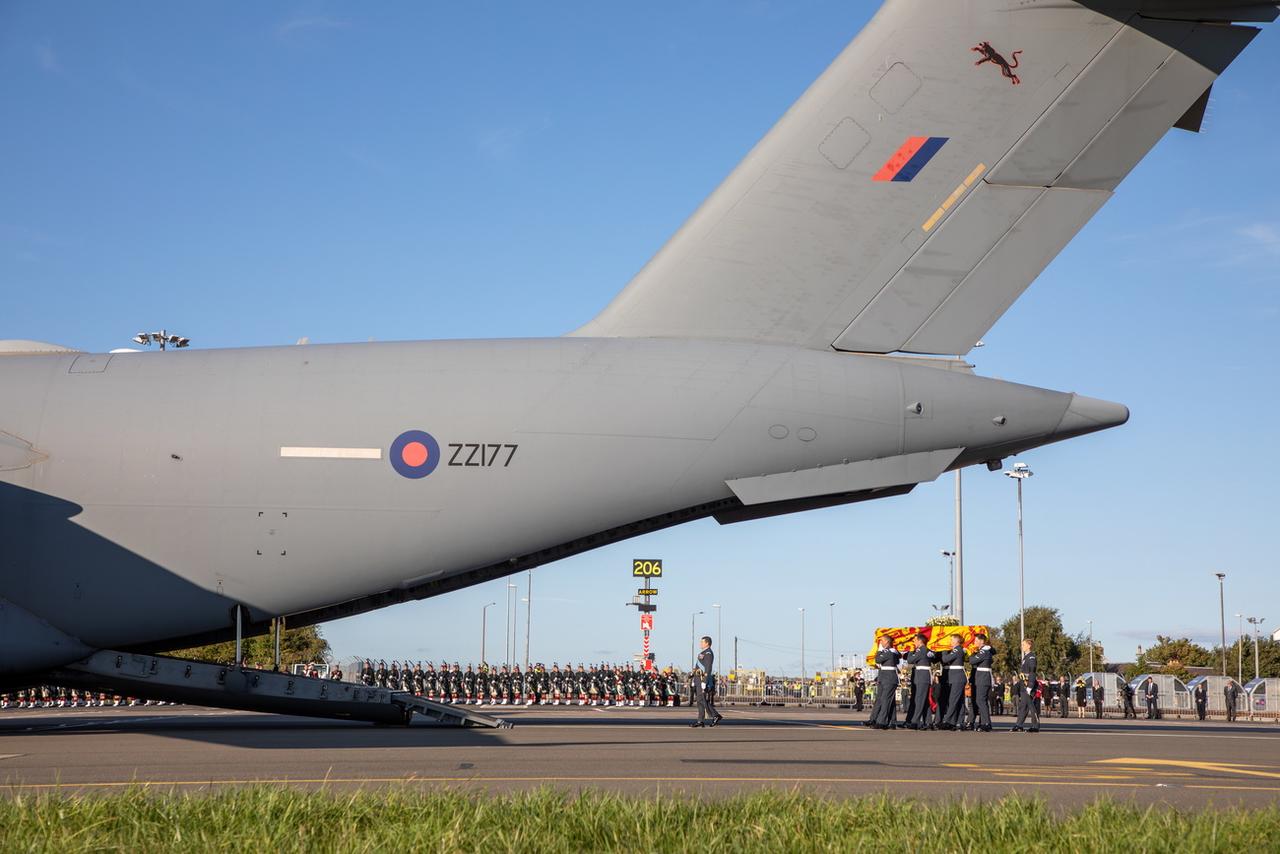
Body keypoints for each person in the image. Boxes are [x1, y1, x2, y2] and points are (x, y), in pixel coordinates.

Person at [866, 636, 901, 729]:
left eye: (882, 640)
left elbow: (877, 659)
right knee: (883, 700)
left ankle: (882, 721)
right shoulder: (889, 651)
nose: (880, 642)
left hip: (889, 678)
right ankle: (888, 721)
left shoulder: (891, 651)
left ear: (887, 641)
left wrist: (879, 650)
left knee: (885, 700)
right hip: (883, 678)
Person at [691, 636, 722, 727]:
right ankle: (701, 720)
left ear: (707, 643)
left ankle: (715, 715)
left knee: (703, 700)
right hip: (697, 679)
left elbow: (708, 668)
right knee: (700, 700)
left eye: (702, 642)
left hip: (702, 680)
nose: (700, 644)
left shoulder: (708, 653)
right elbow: (697, 667)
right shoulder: (702, 653)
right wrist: (693, 678)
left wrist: (704, 681)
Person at [940, 634, 967, 730]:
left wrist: (943, 650)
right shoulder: (958, 650)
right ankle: (958, 722)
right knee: (959, 701)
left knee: (953, 700)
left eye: (952, 640)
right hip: (956, 677)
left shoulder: (957, 650)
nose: (950, 642)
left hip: (957, 678)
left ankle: (947, 720)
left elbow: (945, 659)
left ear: (957, 641)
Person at [1013, 638, 1039, 733]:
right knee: (1023, 706)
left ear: (1029, 645)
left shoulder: (1031, 657)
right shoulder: (1026, 657)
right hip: (1024, 683)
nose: (1022, 646)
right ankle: (1019, 724)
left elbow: (1032, 672)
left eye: (1023, 645)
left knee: (1031, 706)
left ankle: (1035, 725)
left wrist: (1030, 685)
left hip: (1029, 684)